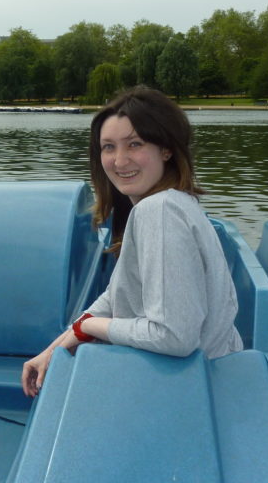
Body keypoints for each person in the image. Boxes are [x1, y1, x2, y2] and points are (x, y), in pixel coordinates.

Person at [22, 87, 242, 398]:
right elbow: (115, 296)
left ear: (165, 149)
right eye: (108, 147)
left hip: (190, 389)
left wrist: (91, 328)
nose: (119, 160)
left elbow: (174, 337)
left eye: (135, 144)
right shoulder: (174, 203)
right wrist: (55, 348)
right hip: (204, 376)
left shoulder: (160, 211)